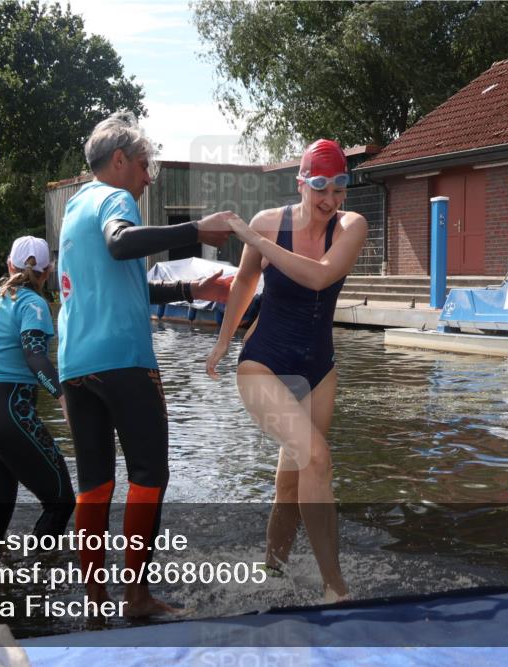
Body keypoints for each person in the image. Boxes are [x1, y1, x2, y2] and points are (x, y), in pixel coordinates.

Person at [57, 110, 233, 617]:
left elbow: (122, 278)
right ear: (118, 160)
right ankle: (136, 596)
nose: (148, 177)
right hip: (124, 359)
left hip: (76, 364)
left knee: (94, 483)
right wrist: (196, 229)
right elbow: (120, 243)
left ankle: (95, 602)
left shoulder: (74, 211)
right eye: (143, 165)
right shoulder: (115, 200)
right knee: (149, 475)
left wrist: (188, 288)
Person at [206, 139, 367, 603]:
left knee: (294, 477)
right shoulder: (270, 223)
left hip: (319, 367)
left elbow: (319, 275)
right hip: (263, 363)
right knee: (317, 458)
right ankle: (336, 589)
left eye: (340, 188)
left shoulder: (352, 226)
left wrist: (255, 242)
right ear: (301, 184)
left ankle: (271, 570)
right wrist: (221, 343)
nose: (331, 200)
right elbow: (243, 283)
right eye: (321, 188)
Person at [0, 236, 75, 540]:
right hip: (8, 412)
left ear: (9, 264)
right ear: (47, 271)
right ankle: (39, 577)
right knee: (61, 503)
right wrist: (63, 398)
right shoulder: (33, 304)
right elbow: (34, 355)